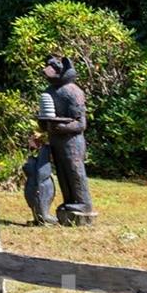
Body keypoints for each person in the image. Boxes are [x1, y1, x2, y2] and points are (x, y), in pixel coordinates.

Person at [22, 54, 94, 226]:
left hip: (72, 142)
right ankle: (69, 201)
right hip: (56, 141)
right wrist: (44, 122)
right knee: (62, 172)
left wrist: (61, 128)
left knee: (74, 170)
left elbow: (80, 123)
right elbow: (44, 120)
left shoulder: (72, 91)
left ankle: (83, 202)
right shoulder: (49, 93)